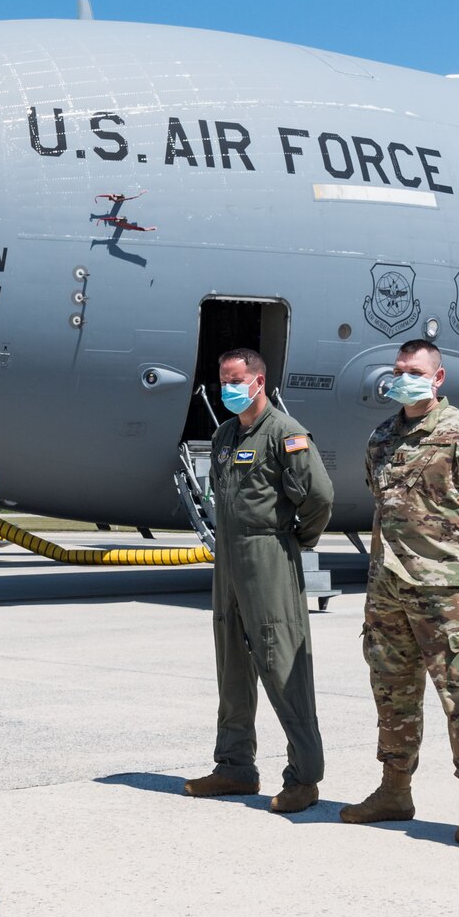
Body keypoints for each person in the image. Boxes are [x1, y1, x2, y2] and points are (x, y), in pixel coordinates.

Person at [339, 341, 459, 842]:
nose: (404, 378)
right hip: (388, 586)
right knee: (392, 690)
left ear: (437, 379)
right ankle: (395, 790)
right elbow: (383, 502)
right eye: (398, 370)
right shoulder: (381, 437)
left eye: (415, 371)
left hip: (448, 589)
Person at [182, 347, 335, 814]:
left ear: (258, 381)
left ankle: (304, 777)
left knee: (280, 661)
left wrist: (293, 542)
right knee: (231, 662)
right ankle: (234, 767)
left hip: (268, 556)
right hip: (228, 560)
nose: (227, 387)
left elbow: (319, 497)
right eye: (222, 379)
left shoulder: (285, 433)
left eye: (234, 379)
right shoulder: (225, 433)